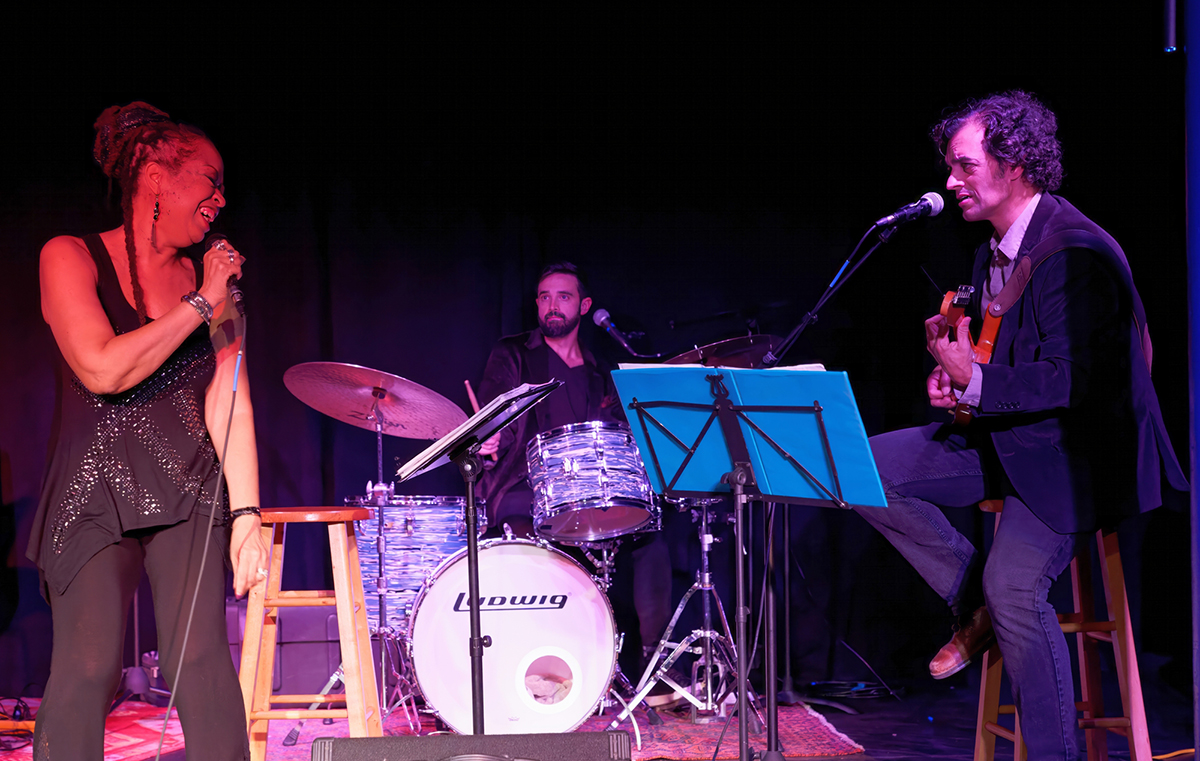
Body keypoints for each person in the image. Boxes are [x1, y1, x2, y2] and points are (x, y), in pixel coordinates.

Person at [851, 91, 1187, 760]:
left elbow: (1076, 380)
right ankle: (977, 605)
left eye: (965, 166)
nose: (951, 181)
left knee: (1015, 588)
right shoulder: (994, 252)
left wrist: (977, 382)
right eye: (951, 166)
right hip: (1017, 438)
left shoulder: (1075, 252)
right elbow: (1007, 363)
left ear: (1015, 164)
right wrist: (958, 382)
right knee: (859, 468)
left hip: (1079, 456)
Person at [27, 102, 268, 760]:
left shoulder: (215, 285)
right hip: (92, 489)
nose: (221, 199)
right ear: (157, 175)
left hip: (189, 487)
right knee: (89, 666)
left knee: (202, 665)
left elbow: (231, 400)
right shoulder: (69, 256)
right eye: (210, 179)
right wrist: (202, 302)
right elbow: (103, 368)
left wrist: (247, 515)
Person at [475, 262, 678, 702]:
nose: (552, 305)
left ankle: (652, 668)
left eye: (563, 297)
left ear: (584, 306)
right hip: (526, 488)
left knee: (650, 537)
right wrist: (489, 440)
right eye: (544, 297)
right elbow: (497, 416)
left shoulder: (602, 370)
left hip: (591, 490)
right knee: (526, 526)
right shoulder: (513, 354)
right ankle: (539, 662)